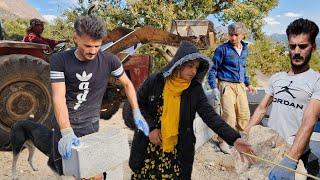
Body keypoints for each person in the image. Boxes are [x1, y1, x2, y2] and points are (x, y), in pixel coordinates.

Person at [129, 41, 255, 179]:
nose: (194, 71)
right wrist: (150, 129)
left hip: (176, 152)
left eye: (196, 67)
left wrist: (235, 139)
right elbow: (137, 104)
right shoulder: (156, 81)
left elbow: (211, 116)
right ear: (178, 65)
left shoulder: (194, 90)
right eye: (190, 66)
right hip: (149, 147)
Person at [48, 15, 149, 179]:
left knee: (94, 173)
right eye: (88, 45)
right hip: (65, 127)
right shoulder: (59, 61)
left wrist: (136, 111)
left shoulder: (110, 60)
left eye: (97, 45)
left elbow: (128, 84)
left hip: (91, 127)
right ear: (76, 38)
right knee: (68, 172)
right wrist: (66, 132)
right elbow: (58, 97)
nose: (93, 51)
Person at [244, 18, 320, 179]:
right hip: (271, 149)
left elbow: (309, 119)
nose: (297, 51)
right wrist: (245, 134)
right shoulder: (276, 78)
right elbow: (262, 109)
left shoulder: (317, 80)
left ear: (313, 47)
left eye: (303, 46)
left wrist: (291, 160)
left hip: (296, 154)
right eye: (292, 46)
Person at [207, 22, 255, 154]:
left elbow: (243, 68)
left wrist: (248, 83)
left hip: (239, 85)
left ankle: (238, 140)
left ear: (242, 35)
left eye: (236, 35)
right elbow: (213, 69)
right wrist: (214, 87)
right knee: (229, 116)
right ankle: (223, 141)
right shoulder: (222, 49)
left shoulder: (245, 49)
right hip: (226, 85)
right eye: (230, 35)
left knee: (244, 114)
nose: (233, 38)